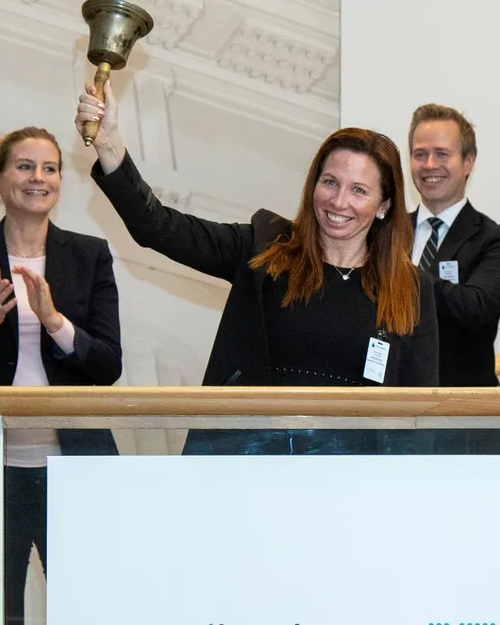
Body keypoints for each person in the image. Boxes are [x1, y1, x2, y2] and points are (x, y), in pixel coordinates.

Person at [75, 80, 438, 456]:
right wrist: (109, 144)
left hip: (354, 478)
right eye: (330, 182)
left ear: (383, 206)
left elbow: (422, 417)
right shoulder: (265, 248)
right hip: (249, 466)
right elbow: (159, 227)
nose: (338, 201)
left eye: (359, 190)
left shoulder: (411, 290)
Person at [0, 126, 121, 624]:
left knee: (91, 608)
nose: (39, 178)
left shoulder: (89, 255)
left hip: (73, 468)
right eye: (25, 166)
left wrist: (54, 321)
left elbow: (108, 366)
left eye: (50, 168)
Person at [407, 104, 500, 455]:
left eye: (442, 154)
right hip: (395, 420)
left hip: (467, 426)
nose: (429, 165)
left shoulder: (496, 239)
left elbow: (476, 307)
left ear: (468, 162)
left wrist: (401, 274)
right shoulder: (385, 235)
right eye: (420, 154)